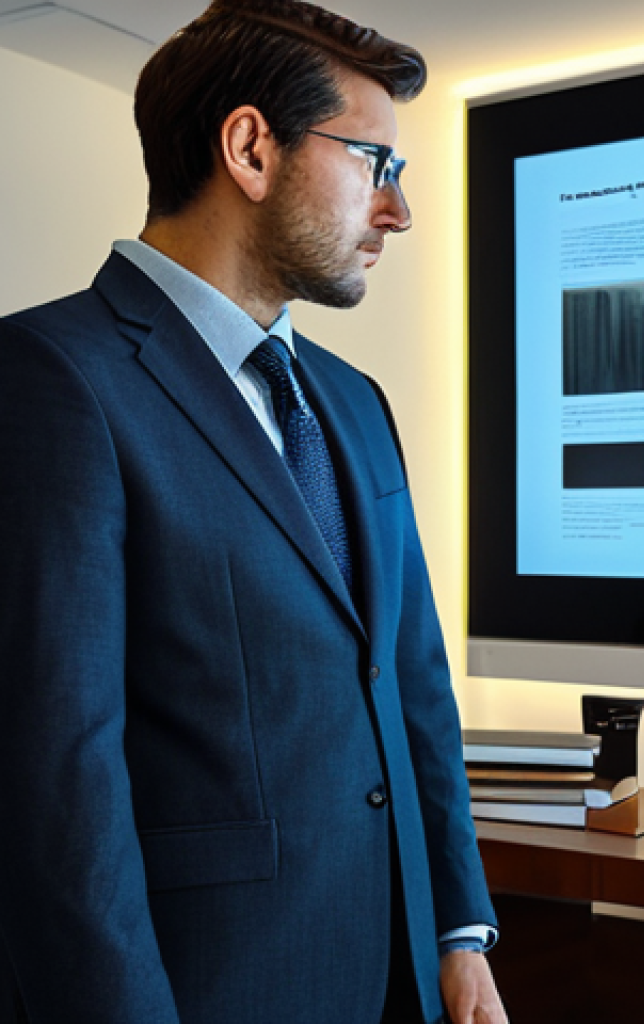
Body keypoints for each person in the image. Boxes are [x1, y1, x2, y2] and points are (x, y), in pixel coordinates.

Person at [0, 1, 507, 1022]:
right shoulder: (50, 377)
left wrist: (458, 934)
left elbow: (411, 684)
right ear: (250, 149)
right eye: (375, 162)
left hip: (399, 977)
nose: (397, 211)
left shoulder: (354, 402)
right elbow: (57, 775)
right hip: (210, 987)